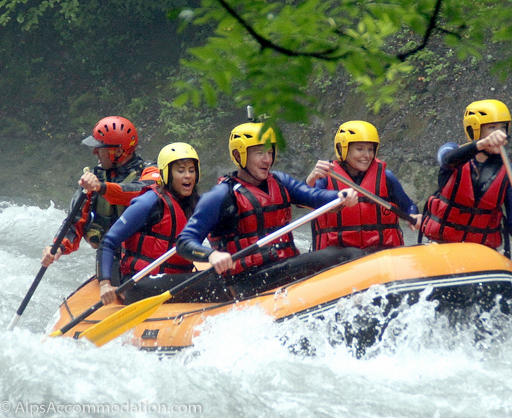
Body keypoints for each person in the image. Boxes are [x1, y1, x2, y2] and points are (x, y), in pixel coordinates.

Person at [176, 122, 359, 300]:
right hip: (246, 280)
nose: (267, 160)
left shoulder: (279, 181)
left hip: (281, 266)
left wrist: (339, 195)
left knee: (347, 253)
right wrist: (211, 255)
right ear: (238, 155)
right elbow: (184, 243)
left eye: (270, 153)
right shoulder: (220, 195)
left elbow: (313, 196)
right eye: (259, 153)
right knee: (340, 255)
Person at [419, 99, 512, 250]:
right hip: (442, 245)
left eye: (503, 128)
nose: (500, 134)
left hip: (482, 251)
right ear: (474, 129)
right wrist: (482, 144)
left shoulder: (509, 170)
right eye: (492, 128)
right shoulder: (451, 151)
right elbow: (446, 160)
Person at [41, 116, 159, 272]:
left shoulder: (151, 171)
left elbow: (143, 191)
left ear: (118, 151)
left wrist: (102, 188)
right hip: (110, 261)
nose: (94, 151)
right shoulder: (94, 178)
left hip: (148, 263)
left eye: (100, 147)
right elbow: (75, 221)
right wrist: (57, 247)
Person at [97, 142, 203, 305]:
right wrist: (105, 283)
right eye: (180, 171)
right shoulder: (150, 202)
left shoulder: (197, 204)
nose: (187, 176)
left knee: (222, 277)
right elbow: (108, 242)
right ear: (167, 174)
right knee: (215, 283)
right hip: (140, 283)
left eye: (191, 170)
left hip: (174, 279)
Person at [305, 120, 419, 251]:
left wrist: (413, 215)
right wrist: (311, 178)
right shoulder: (326, 176)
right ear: (342, 148)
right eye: (360, 149)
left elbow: (408, 206)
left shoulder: (386, 177)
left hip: (380, 253)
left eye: (370, 149)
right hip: (337, 255)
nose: (367, 155)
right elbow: (306, 200)